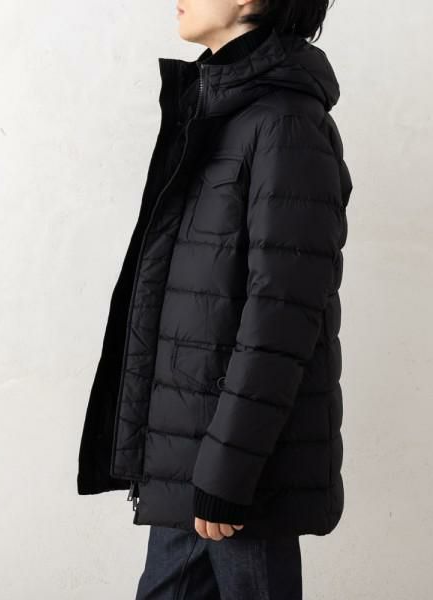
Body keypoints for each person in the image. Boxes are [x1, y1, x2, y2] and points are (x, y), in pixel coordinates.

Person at [77, 0, 353, 597]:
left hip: (238, 478)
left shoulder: (285, 125)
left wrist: (227, 473)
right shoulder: (218, 113)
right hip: (190, 461)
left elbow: (280, 320)